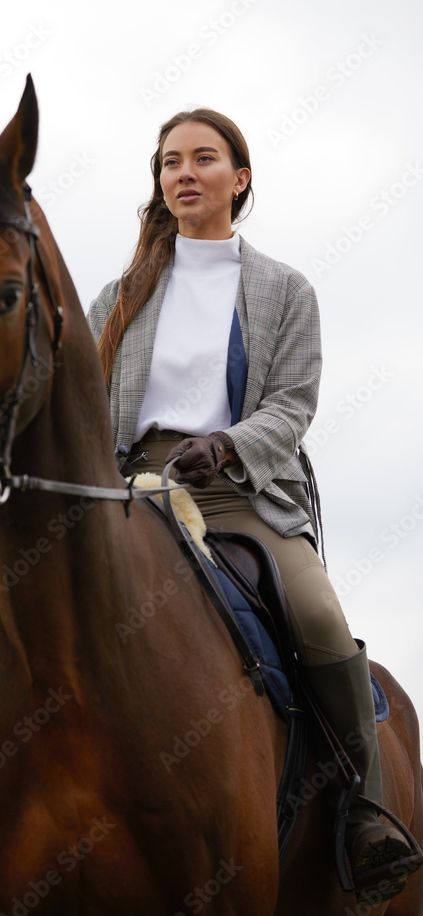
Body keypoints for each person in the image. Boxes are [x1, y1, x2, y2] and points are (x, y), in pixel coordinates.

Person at [86, 106, 421, 904]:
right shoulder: (118, 294)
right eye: (170, 162)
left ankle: (366, 816)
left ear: (238, 180)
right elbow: (83, 405)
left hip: (236, 494)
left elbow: (293, 403)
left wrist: (228, 444)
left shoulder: (282, 289)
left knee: (317, 616)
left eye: (202, 159)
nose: (183, 173)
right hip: (124, 493)